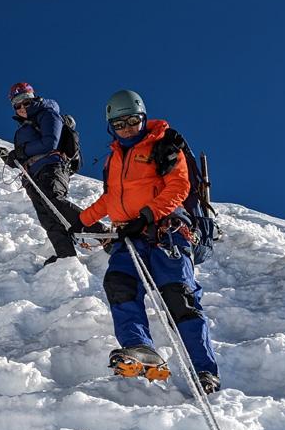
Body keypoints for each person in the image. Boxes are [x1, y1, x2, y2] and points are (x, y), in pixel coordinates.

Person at [74, 89, 221, 393]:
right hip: (130, 236)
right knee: (118, 284)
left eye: (132, 121)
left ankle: (204, 370)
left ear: (143, 118)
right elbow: (111, 199)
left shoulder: (165, 145)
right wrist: (82, 221)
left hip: (166, 231)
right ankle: (140, 347)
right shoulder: (114, 159)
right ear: (110, 126)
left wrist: (147, 216)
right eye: (119, 124)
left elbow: (179, 186)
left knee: (177, 296)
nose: (127, 128)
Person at [0, 82, 99, 266]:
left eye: (25, 101)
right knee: (47, 217)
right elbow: (23, 156)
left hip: (52, 167)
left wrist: (21, 151)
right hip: (33, 175)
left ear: (33, 98)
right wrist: (9, 157)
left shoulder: (47, 113)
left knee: (55, 201)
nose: (21, 107)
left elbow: (49, 143)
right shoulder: (25, 126)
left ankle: (101, 232)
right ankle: (66, 257)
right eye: (16, 104)